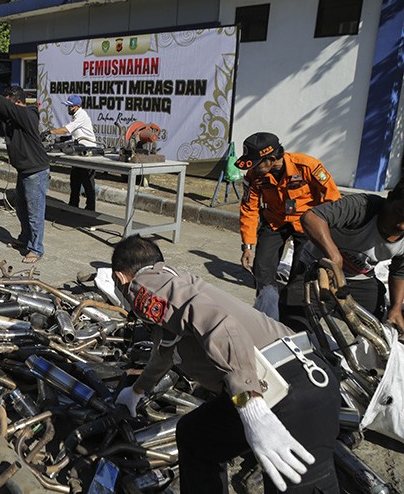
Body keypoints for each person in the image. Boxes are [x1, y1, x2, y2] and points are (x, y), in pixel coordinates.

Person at [112, 235, 340, 494]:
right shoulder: (177, 282)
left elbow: (218, 324)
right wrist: (137, 391)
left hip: (286, 393)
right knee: (196, 436)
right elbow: (164, 352)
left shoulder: (143, 286)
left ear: (120, 278)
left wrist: (252, 408)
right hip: (295, 376)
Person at [236, 132, 340, 296]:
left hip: (306, 224)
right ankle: (267, 304)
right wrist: (247, 246)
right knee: (262, 269)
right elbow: (249, 207)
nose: (252, 169)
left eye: (256, 164)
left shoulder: (307, 166)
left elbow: (333, 199)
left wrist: (325, 231)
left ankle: (293, 307)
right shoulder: (254, 176)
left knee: (302, 272)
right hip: (275, 221)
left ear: (270, 159)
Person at [296, 178, 404, 333]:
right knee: (296, 328)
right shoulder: (363, 207)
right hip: (317, 267)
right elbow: (311, 218)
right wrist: (334, 256)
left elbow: (399, 272)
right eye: (400, 211)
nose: (401, 225)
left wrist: (396, 308)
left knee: (375, 333)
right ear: (391, 197)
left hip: (359, 278)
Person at [0, 79, 50, 263]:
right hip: (25, 170)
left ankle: (36, 248)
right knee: (22, 209)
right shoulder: (13, 115)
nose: (7, 107)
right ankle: (25, 239)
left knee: (35, 212)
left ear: (18, 102)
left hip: (36, 171)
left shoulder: (28, 114)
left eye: (9, 102)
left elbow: (5, 107)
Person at [48, 94, 98, 211]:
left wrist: (51, 131)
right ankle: (73, 205)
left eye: (71, 107)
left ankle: (90, 209)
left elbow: (66, 129)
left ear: (78, 106)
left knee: (87, 181)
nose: (69, 109)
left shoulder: (81, 115)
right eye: (68, 107)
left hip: (88, 151)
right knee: (75, 179)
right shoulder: (76, 115)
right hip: (80, 150)